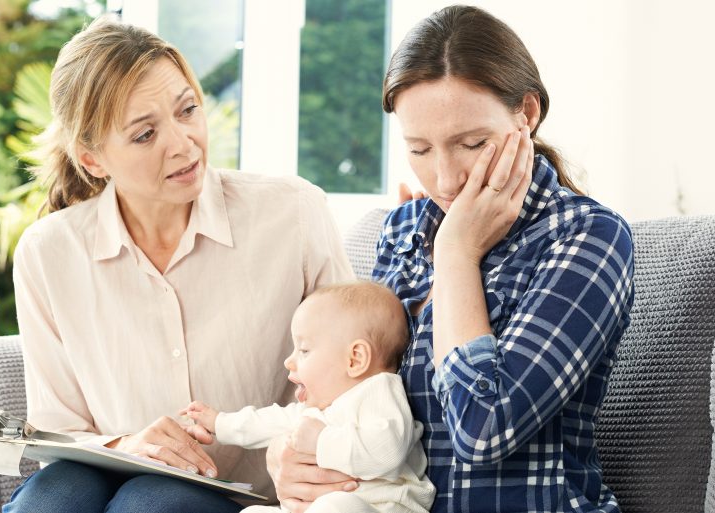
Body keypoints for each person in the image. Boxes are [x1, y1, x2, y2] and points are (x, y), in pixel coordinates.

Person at [268, 5, 635, 513]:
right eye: (419, 149)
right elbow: (354, 394)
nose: (444, 180)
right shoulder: (400, 232)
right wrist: (290, 461)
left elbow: (485, 429)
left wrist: (457, 255)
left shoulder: (586, 236)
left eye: (471, 144)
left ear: (526, 114)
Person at [5, 14, 355, 513]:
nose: (183, 142)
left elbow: (351, 385)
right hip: (105, 477)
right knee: (52, 500)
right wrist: (125, 446)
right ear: (92, 160)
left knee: (151, 502)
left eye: (187, 110)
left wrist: (292, 449)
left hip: (249, 493)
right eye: (145, 135)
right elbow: (60, 432)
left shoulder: (293, 214)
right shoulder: (48, 253)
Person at [181, 282, 436, 513]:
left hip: (382, 507)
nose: (289, 361)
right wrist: (220, 423)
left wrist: (321, 440)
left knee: (336, 506)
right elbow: (268, 421)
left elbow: (388, 451)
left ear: (355, 359)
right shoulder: (317, 407)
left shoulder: (378, 392)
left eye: (304, 350)